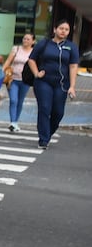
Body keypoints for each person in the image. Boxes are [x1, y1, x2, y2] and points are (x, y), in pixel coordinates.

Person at [26, 19, 80, 149]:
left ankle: (48, 133)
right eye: (61, 28)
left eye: (66, 29)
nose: (63, 31)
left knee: (58, 112)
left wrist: (72, 86)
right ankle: (43, 139)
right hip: (44, 82)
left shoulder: (71, 47)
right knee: (44, 108)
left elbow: (73, 66)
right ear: (55, 29)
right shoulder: (44, 44)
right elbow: (31, 59)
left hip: (61, 84)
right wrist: (36, 73)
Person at [1, 31, 36, 132]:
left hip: (25, 80)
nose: (25, 41)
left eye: (28, 39)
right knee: (13, 100)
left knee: (20, 101)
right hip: (12, 79)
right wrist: (2, 71)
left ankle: (15, 122)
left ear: (33, 41)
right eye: (24, 38)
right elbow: (8, 61)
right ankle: (12, 122)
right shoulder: (16, 49)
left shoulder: (34, 52)